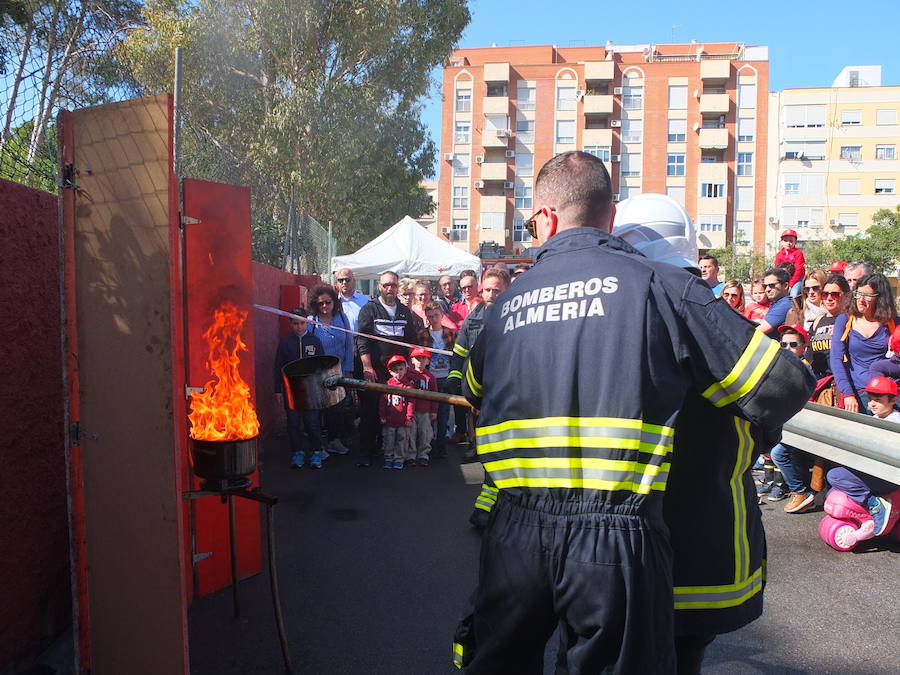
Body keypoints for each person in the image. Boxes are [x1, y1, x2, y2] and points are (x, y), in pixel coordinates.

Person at [453, 152, 814, 674]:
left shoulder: (506, 303)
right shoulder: (660, 287)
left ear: (547, 217)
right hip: (612, 534)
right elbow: (781, 385)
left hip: (514, 529)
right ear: (610, 215)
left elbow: (473, 388)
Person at [614, 193, 778, 673]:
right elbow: (778, 392)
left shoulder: (628, 307)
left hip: (626, 519)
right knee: (683, 646)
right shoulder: (703, 310)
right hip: (701, 510)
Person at [355, 271, 420, 467]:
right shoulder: (369, 310)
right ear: (379, 287)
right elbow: (362, 339)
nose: (389, 289)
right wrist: (367, 366)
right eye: (385, 285)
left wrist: (409, 367)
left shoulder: (403, 311)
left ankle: (392, 452)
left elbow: (411, 341)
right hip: (376, 371)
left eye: (393, 285)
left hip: (398, 373)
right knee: (370, 412)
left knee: (397, 412)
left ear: (397, 286)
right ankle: (366, 452)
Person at [826, 377, 899, 538]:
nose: (872, 404)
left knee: (835, 476)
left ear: (893, 399)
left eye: (878, 400)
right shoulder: (875, 419)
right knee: (833, 488)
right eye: (871, 399)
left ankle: (875, 505)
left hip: (887, 476)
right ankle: (866, 514)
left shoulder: (894, 422)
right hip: (873, 470)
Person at [830, 273, 898, 414]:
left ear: (880, 298)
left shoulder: (894, 323)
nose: (860, 300)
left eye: (867, 296)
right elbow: (836, 359)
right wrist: (848, 394)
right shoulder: (845, 320)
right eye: (857, 294)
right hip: (857, 393)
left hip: (889, 397)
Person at [769, 324, 817, 512]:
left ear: (804, 346)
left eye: (793, 344)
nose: (787, 348)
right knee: (796, 456)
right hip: (790, 421)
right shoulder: (787, 365)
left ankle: (800, 492)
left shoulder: (802, 367)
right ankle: (804, 493)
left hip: (801, 421)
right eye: (783, 344)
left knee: (778, 454)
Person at [273, 310, 327, 469]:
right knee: (293, 423)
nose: (299, 326)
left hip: (311, 391)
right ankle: (298, 453)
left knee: (312, 422)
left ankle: (316, 452)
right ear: (290, 324)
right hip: (291, 390)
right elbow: (278, 367)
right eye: (295, 323)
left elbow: (322, 365)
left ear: (308, 323)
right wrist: (278, 390)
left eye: (302, 323)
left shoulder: (315, 341)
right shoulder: (285, 343)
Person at [307, 285, 354, 456]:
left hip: (339, 372)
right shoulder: (311, 321)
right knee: (319, 410)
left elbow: (349, 345)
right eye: (321, 304)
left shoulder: (342, 318)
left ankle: (334, 441)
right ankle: (318, 446)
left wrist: (348, 369)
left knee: (337, 408)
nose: (325, 307)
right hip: (318, 374)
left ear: (334, 302)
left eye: (328, 302)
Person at [419, 301, 456, 458]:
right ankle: (429, 443)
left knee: (444, 413)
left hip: (446, 377)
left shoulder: (449, 333)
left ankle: (441, 444)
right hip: (430, 378)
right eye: (430, 316)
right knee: (429, 413)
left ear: (441, 315)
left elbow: (455, 355)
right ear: (427, 318)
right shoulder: (423, 335)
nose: (433, 319)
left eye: (436, 315)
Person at [805, 275, 851, 379]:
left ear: (847, 296)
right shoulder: (818, 321)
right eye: (825, 294)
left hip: (839, 380)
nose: (829, 298)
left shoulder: (850, 321)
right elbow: (810, 353)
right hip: (818, 380)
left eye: (835, 294)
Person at [378, 355, 414, 470]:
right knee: (389, 440)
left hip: (402, 421)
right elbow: (382, 402)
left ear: (405, 370)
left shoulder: (408, 386)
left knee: (402, 440)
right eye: (395, 370)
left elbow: (411, 403)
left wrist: (409, 417)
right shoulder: (387, 385)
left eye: (401, 369)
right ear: (390, 372)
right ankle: (388, 458)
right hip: (389, 420)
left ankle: (399, 459)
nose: (398, 372)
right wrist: (382, 415)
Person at [407, 347, 438, 467]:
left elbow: (435, 395)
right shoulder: (408, 375)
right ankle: (411, 455)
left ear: (428, 361)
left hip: (425, 411)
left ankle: (423, 455)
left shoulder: (430, 377)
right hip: (411, 410)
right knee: (411, 433)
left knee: (425, 434)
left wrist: (434, 411)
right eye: (417, 358)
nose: (420, 361)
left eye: (423, 358)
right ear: (412, 361)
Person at [756, 267, 795, 339]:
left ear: (785, 286)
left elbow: (757, 332)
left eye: (772, 285)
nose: (767, 289)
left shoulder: (784, 305)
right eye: (765, 286)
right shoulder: (778, 303)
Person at [774, 229, 805, 298]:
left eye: (791, 241)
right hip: (784, 279)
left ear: (795, 242)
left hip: (797, 279)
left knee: (793, 294)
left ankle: (795, 308)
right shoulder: (779, 255)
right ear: (781, 242)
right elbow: (777, 270)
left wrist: (791, 285)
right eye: (785, 240)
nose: (788, 243)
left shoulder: (798, 253)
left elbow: (798, 270)